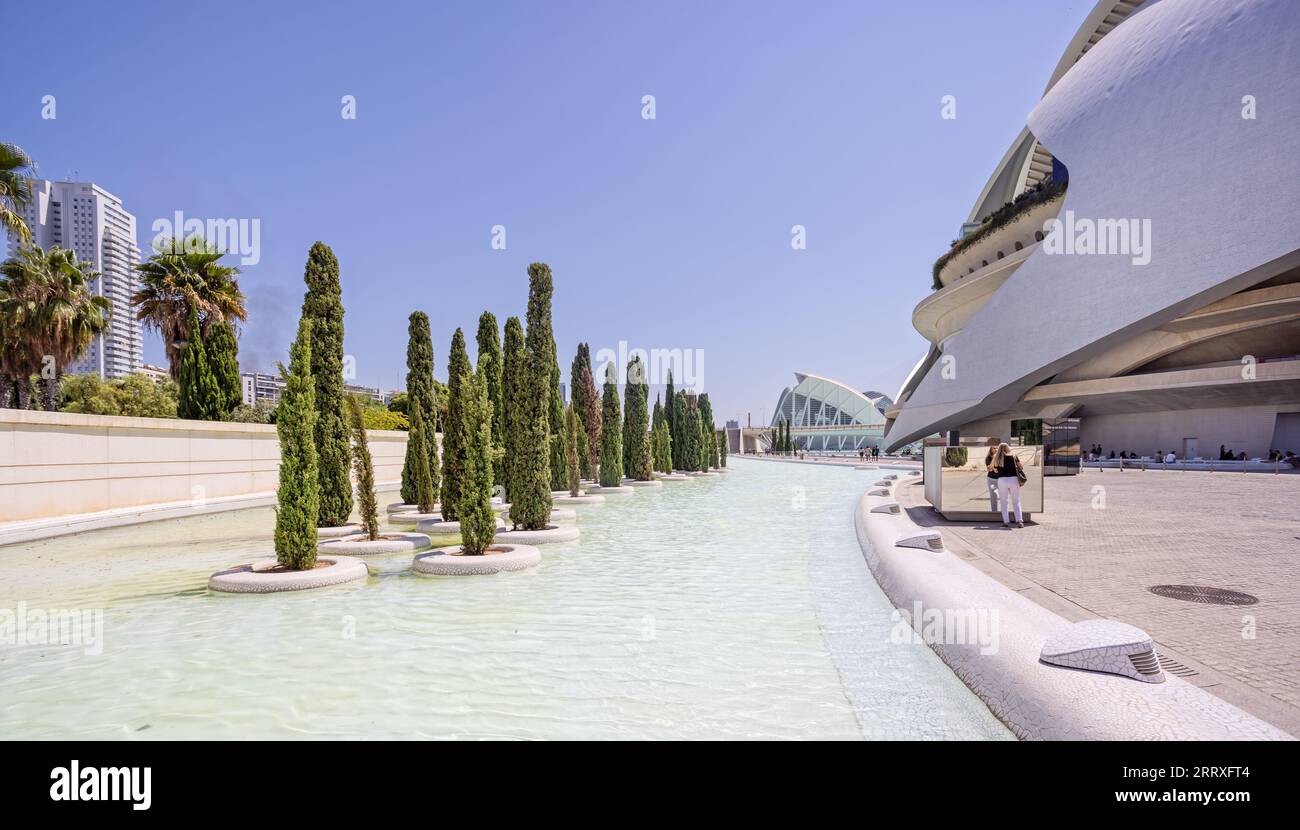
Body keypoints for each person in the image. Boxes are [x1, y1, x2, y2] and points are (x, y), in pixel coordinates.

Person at [987, 442, 1025, 528]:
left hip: (1002, 480)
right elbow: (1021, 467)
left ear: (999, 449)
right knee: (1016, 501)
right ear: (1008, 448)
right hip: (1013, 480)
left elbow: (990, 468)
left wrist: (996, 469)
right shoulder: (1014, 456)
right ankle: (1019, 521)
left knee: (1004, 502)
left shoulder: (996, 457)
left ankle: (1006, 522)